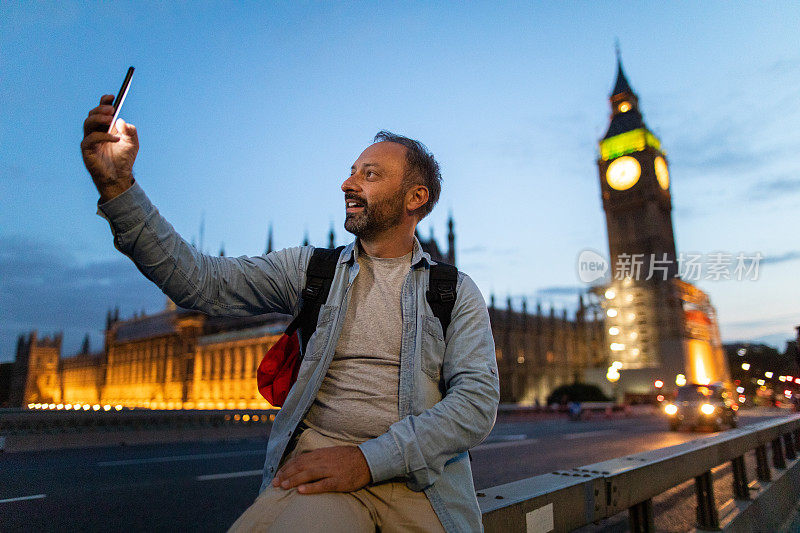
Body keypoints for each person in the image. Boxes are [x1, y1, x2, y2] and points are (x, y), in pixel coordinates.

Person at [81, 94, 500, 532]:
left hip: (420, 481)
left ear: (416, 197)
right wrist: (117, 187)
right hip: (320, 471)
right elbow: (200, 282)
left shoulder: (452, 292)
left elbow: (475, 404)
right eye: (351, 172)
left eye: (369, 174)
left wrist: (366, 461)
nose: (347, 184)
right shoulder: (311, 272)